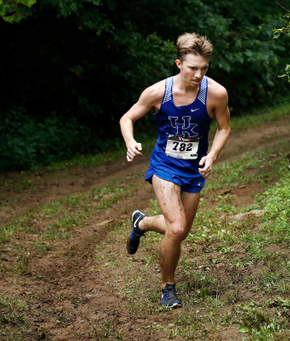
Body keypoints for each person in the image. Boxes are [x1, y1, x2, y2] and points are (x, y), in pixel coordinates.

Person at [119, 32, 230, 308]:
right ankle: (167, 287)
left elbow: (224, 127)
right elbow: (127, 117)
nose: (198, 74)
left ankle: (141, 223)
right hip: (165, 165)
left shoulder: (215, 93)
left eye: (204, 68)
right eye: (193, 68)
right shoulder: (158, 92)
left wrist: (212, 155)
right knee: (177, 227)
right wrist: (130, 141)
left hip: (194, 169)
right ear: (179, 63)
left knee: (180, 231)